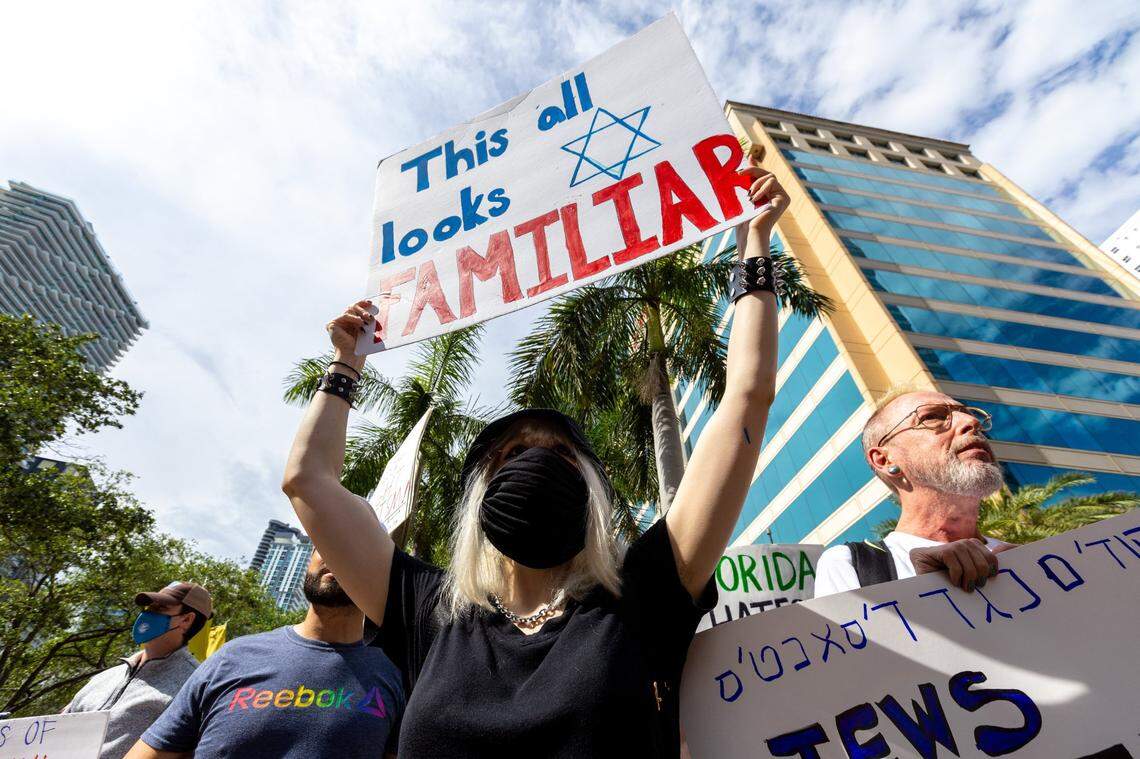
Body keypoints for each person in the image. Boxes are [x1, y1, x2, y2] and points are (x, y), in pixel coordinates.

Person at [281, 154, 787, 757]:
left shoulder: (645, 591)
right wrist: (346, 363)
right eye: (513, 455)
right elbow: (308, 481)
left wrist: (753, 239)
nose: (537, 464)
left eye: (563, 457)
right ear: (479, 495)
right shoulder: (428, 607)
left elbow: (747, 398)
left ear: (592, 493)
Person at [125, 550, 404, 759]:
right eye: (325, 541)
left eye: (354, 545)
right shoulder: (232, 657)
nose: (337, 549)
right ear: (308, 562)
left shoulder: (396, 675)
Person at [814, 388, 1014, 597]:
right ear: (884, 460)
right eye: (932, 417)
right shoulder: (851, 565)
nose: (971, 422)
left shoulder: (1032, 557)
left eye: (969, 414)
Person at [64, 582, 213, 759]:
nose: (148, 613)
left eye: (161, 607)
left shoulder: (196, 686)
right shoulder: (106, 676)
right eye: (150, 606)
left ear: (186, 620)